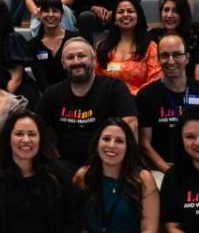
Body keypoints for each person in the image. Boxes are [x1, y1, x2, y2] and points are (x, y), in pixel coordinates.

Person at [35, 37, 138, 173]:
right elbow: (35, 128)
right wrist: (53, 158)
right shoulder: (52, 93)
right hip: (65, 167)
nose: (76, 61)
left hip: (108, 165)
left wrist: (115, 164)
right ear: (63, 63)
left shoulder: (114, 88)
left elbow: (131, 124)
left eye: (81, 56)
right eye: (70, 57)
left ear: (93, 59)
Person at [136, 33, 199, 172]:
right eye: (165, 55)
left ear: (187, 58)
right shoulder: (146, 96)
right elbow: (145, 145)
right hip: (164, 168)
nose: (171, 61)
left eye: (177, 55)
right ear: (158, 59)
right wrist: (168, 172)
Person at [95, 0, 161, 95]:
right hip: (108, 102)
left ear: (138, 17)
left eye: (130, 11)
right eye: (120, 12)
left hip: (139, 101)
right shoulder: (102, 47)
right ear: (115, 19)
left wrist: (130, 96)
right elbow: (96, 79)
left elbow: (155, 79)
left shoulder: (150, 47)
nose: (125, 15)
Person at [26, 0, 79, 89]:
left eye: (55, 11)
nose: (50, 15)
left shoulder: (74, 40)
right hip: (45, 97)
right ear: (39, 15)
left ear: (62, 15)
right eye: (46, 11)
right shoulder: (32, 45)